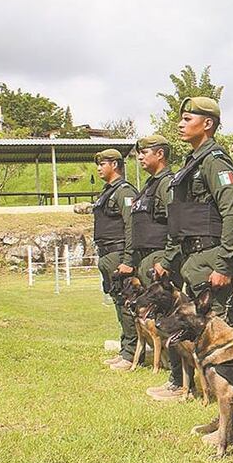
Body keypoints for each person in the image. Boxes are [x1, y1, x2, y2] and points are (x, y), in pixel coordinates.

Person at [148, 97, 233, 401]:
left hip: (212, 257)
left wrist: (225, 264)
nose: (180, 124)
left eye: (188, 119)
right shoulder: (194, 163)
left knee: (222, 330)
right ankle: (209, 392)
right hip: (194, 259)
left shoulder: (215, 161)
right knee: (201, 333)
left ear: (208, 124)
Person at [109, 135, 175, 372]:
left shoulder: (167, 183)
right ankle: (165, 363)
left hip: (158, 257)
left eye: (144, 153)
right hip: (145, 257)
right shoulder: (149, 185)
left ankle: (173, 367)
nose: (139, 157)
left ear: (159, 154)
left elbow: (175, 223)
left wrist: (166, 259)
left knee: (165, 315)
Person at [94, 148, 139, 370]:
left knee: (125, 302)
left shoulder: (124, 192)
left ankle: (131, 353)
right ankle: (125, 348)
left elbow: (132, 226)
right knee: (117, 301)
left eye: (103, 164)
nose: (99, 168)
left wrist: (129, 259)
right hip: (106, 254)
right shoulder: (108, 191)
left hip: (118, 253)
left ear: (115, 164)